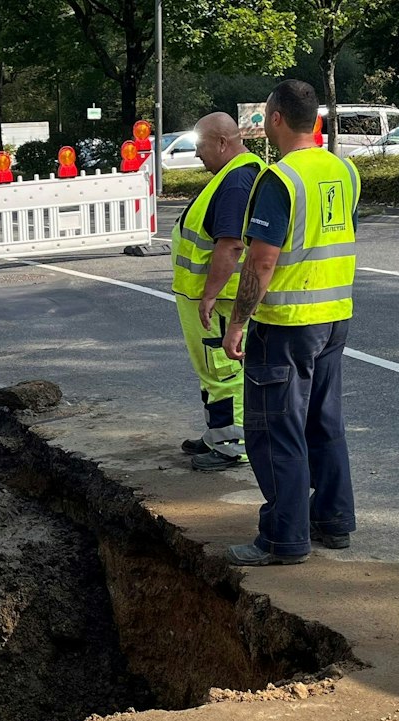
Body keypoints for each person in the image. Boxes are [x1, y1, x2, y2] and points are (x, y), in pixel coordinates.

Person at [219, 79, 360, 566]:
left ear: (276, 118)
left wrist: (237, 322)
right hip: (334, 318)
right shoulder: (344, 170)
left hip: (285, 324)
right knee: (324, 422)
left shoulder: (279, 179)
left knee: (275, 430)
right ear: (314, 119)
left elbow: (262, 261)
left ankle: (283, 538)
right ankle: (333, 520)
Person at [170, 112, 263, 471]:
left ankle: (231, 446)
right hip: (210, 296)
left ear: (223, 143)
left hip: (219, 300)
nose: (197, 154)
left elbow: (230, 245)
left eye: (201, 145)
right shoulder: (234, 174)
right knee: (211, 370)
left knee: (223, 372)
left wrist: (209, 294)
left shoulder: (237, 181)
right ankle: (217, 434)